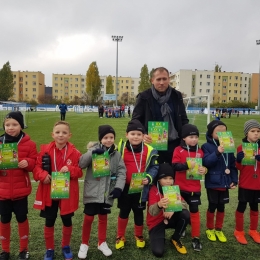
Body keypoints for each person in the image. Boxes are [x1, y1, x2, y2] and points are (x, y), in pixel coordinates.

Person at [33, 121, 83, 260]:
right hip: (49, 191)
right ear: (52, 134)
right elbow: (36, 168)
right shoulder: (44, 150)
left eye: (64, 133)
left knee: (67, 219)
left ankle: (65, 246)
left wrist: (71, 169)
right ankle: (49, 249)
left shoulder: (75, 153)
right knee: (50, 220)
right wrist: (43, 175)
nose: (61, 135)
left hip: (66, 193)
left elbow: (79, 172)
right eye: (58, 132)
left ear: (69, 135)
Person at [77, 125, 126, 259]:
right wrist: (91, 153)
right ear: (100, 139)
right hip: (92, 191)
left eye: (111, 137)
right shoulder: (93, 150)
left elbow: (122, 171)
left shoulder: (116, 154)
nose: (108, 140)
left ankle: (102, 242)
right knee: (88, 218)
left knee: (103, 218)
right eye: (105, 137)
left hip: (107, 193)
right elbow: (81, 164)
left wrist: (118, 188)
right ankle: (84, 244)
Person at [115, 119, 159, 250]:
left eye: (139, 134)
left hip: (140, 188)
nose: (135, 137)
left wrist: (148, 177)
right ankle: (120, 236)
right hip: (125, 188)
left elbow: (154, 167)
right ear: (126, 134)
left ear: (143, 136)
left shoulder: (150, 149)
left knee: (138, 212)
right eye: (132, 134)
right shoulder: (121, 147)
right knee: (124, 212)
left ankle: (139, 235)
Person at [0, 112, 37, 260]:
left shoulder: (29, 143)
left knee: (22, 218)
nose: (10, 128)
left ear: (21, 125)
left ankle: (23, 249)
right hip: (2, 192)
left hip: (21, 191)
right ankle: (5, 251)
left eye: (14, 124)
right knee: (4, 220)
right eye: (7, 125)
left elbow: (35, 161)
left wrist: (28, 162)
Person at [132, 67, 188, 164]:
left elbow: (183, 119)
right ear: (152, 80)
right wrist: (143, 134)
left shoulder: (176, 96)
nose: (161, 82)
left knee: (171, 177)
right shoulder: (144, 97)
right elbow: (135, 120)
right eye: (158, 79)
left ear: (169, 79)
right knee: (153, 174)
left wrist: (187, 136)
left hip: (174, 144)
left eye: (164, 79)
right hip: (151, 144)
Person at [202, 120, 238, 243]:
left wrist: (234, 179)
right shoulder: (206, 146)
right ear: (211, 133)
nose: (222, 134)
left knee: (221, 207)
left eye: (224, 131)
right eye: (218, 132)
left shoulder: (229, 146)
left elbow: (232, 165)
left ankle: (219, 229)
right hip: (213, 182)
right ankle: (210, 228)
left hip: (225, 182)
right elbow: (206, 162)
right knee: (212, 206)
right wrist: (217, 152)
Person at [172, 124, 207, 251]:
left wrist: (205, 170)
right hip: (180, 188)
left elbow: (204, 166)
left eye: (196, 137)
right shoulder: (178, 150)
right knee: (179, 212)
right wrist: (187, 164)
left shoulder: (200, 151)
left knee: (194, 212)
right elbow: (175, 166)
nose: (194, 139)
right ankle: (181, 230)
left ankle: (196, 238)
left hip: (194, 188)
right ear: (184, 138)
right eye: (191, 137)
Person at [147, 163, 190, 257]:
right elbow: (151, 211)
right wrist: (159, 205)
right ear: (159, 179)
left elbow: (185, 205)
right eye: (165, 178)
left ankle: (175, 238)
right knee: (158, 252)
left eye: (171, 178)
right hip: (156, 222)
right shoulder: (153, 190)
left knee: (185, 214)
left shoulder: (173, 189)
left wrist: (174, 209)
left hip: (170, 219)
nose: (168, 181)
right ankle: (158, 237)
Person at [234, 120, 260, 244]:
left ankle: (253, 230)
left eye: (258, 131)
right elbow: (239, 168)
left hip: (258, 184)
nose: (256, 134)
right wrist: (238, 160)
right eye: (252, 131)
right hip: (245, 183)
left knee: (255, 208)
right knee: (242, 207)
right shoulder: (241, 147)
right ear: (246, 133)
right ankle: (239, 231)